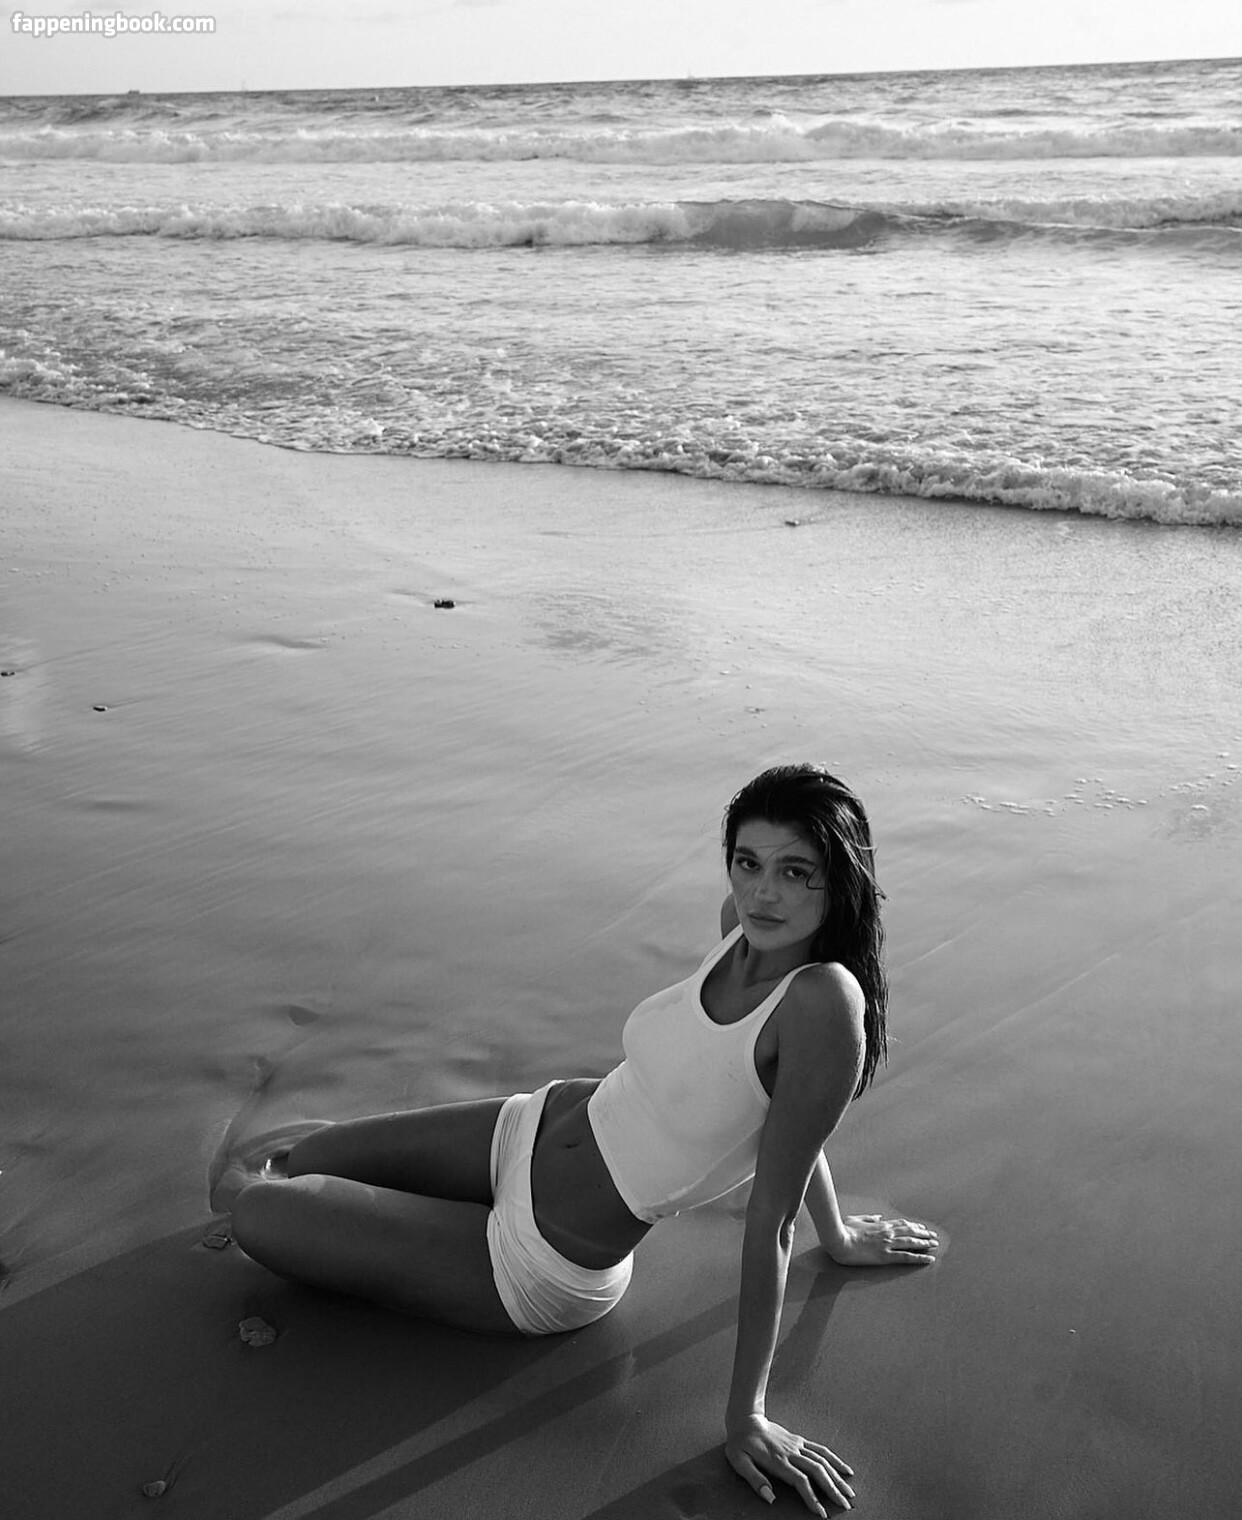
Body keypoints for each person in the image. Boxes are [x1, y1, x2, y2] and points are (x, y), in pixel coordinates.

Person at [225, 763, 939, 1515]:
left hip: (535, 1256)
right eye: (748, 862)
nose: (763, 892)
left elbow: (774, 1214)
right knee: (306, 1157)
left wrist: (748, 1417)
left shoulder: (823, 1002)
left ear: (840, 880)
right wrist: (840, 1231)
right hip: (529, 1124)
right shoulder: (740, 925)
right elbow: (779, 1115)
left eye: (796, 872)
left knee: (258, 1214)